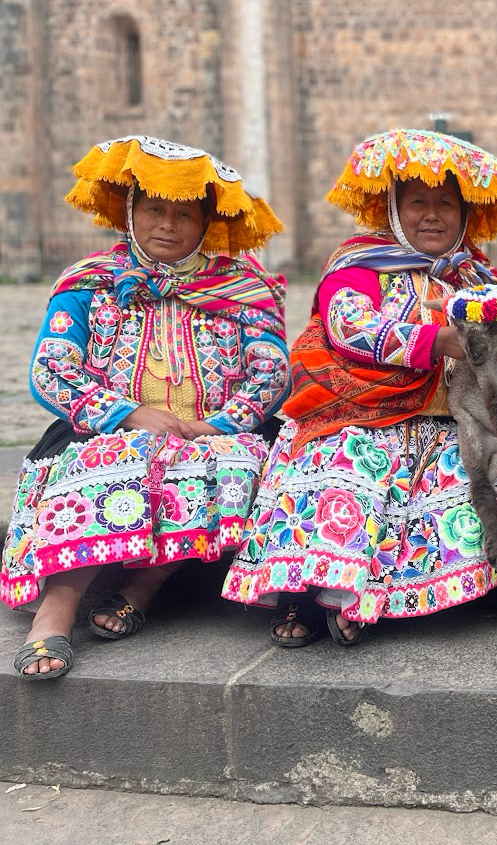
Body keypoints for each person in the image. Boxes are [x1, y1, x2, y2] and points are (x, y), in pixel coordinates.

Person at [221, 128, 497, 647]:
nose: (432, 215)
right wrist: (437, 341)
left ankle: (362, 601)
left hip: (447, 425)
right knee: (343, 470)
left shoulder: (480, 277)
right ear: (391, 208)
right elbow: (347, 326)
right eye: (417, 203)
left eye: (444, 204)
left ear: (465, 215)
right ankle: (309, 590)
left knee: (471, 485)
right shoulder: (361, 264)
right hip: (361, 410)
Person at [6, 135, 288, 679]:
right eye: (155, 210)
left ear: (206, 221)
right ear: (128, 213)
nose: (168, 225)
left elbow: (270, 372)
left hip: (215, 429)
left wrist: (216, 425)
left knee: (233, 466)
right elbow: (52, 368)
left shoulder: (243, 288)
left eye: (185, 214)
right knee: (112, 465)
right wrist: (129, 415)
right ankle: (57, 609)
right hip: (106, 430)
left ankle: (146, 584)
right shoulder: (89, 283)